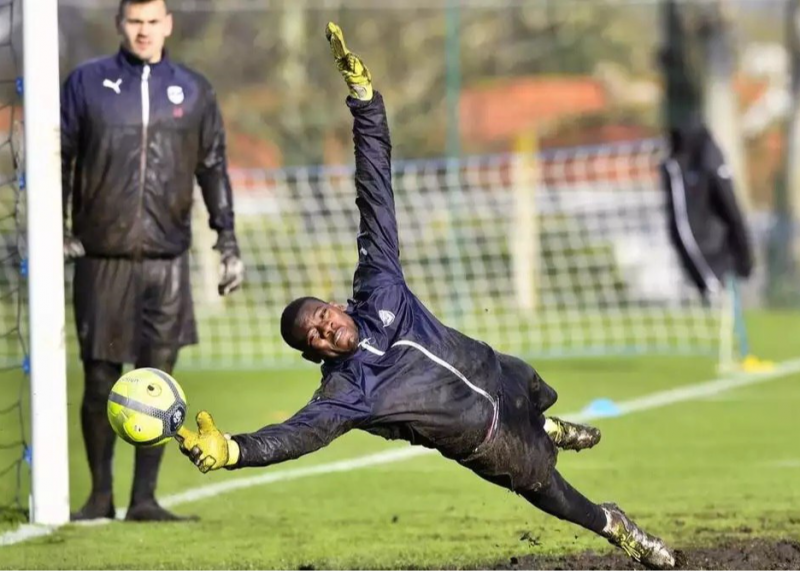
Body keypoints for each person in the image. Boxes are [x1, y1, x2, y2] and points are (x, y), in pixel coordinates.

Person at [175, 24, 675, 570]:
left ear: (334, 303)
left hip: (498, 371)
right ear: (313, 354)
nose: (324, 329)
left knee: (537, 386)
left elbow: (375, 194)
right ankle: (618, 527)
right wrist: (233, 451)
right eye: (314, 337)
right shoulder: (348, 390)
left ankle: (547, 421)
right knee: (554, 492)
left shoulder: (379, 286)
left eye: (321, 315)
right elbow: (297, 435)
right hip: (489, 439)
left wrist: (366, 104)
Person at [61, 0, 244, 522]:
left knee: (159, 383)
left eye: (151, 22)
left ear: (168, 25)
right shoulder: (87, 83)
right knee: (100, 381)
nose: (143, 31)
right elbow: (59, 157)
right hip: (102, 257)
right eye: (134, 22)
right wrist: (60, 228)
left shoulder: (194, 89)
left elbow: (213, 167)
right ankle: (99, 496)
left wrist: (226, 240)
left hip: (167, 260)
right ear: (121, 25)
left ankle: (145, 499)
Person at [662, 116, 754, 300]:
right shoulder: (679, 162)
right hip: (707, 264)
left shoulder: (707, 154)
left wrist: (742, 254)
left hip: (719, 259)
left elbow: (729, 206)